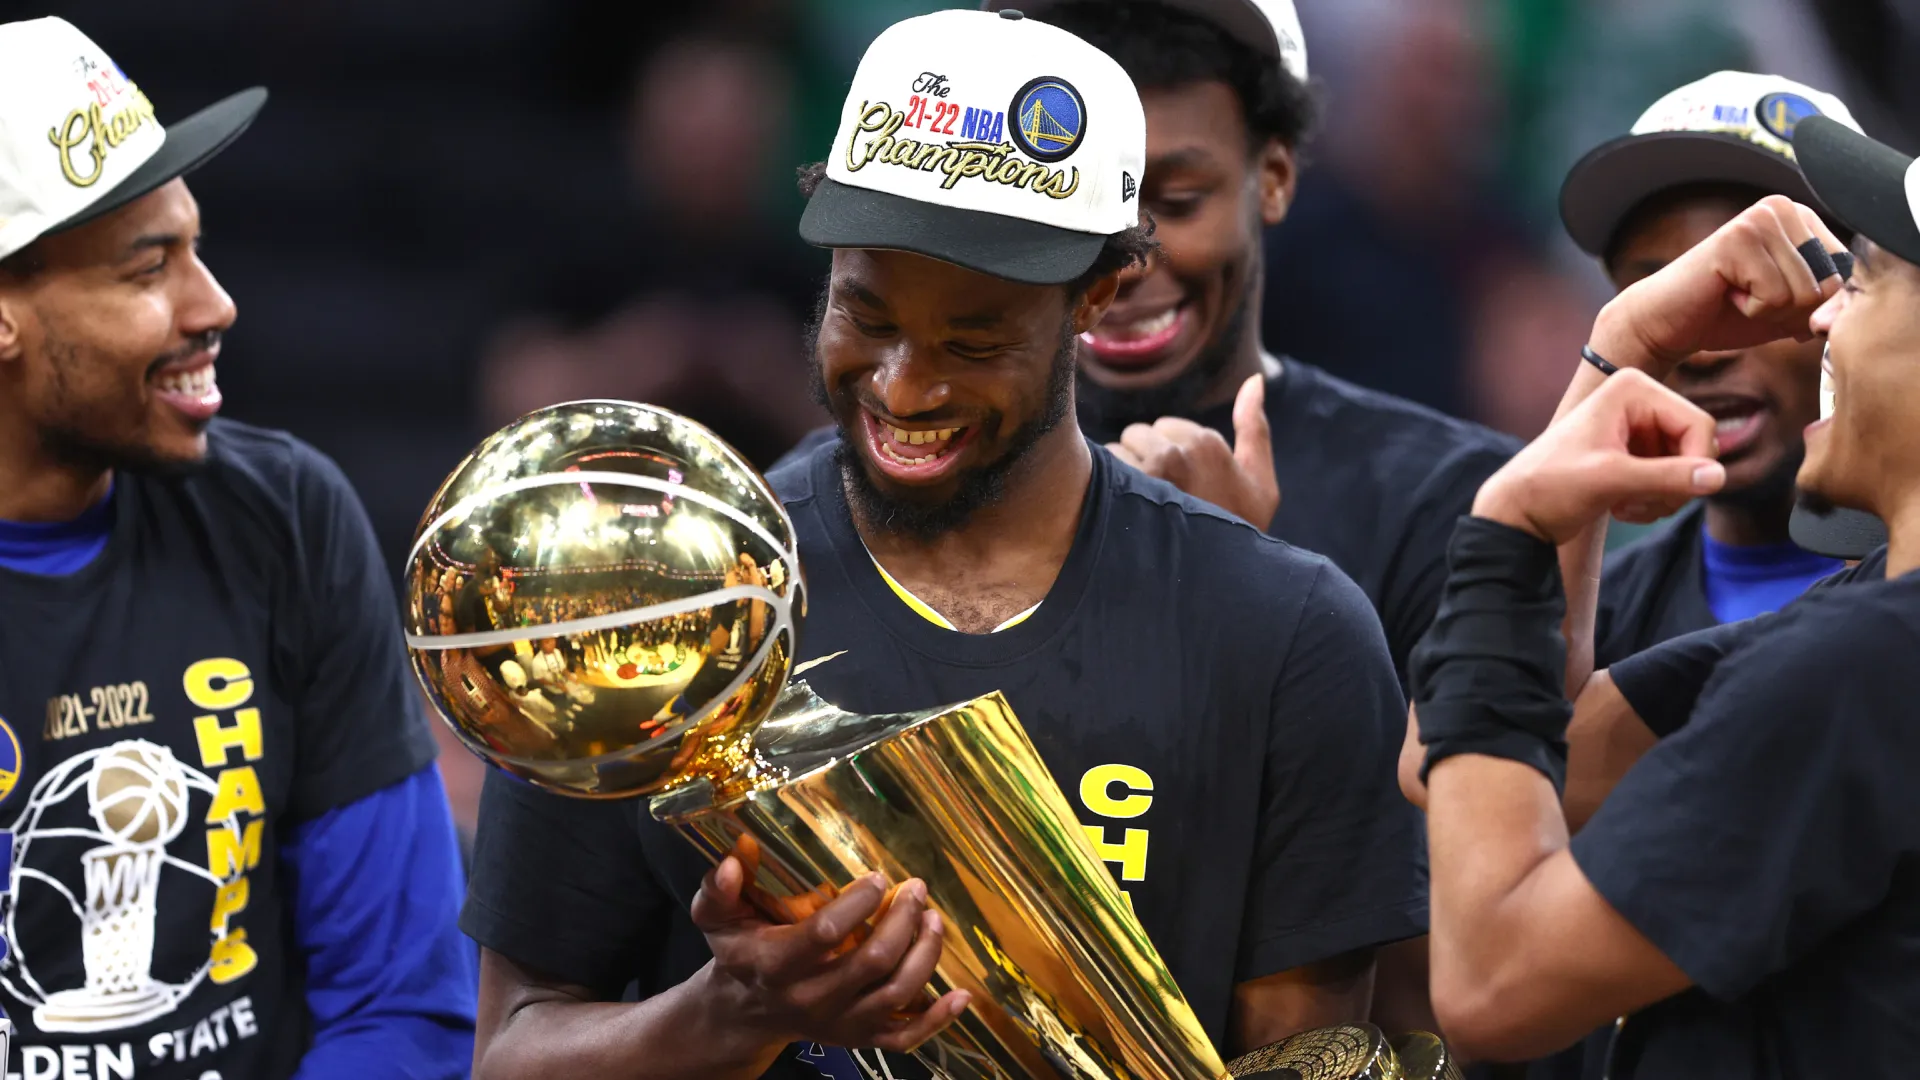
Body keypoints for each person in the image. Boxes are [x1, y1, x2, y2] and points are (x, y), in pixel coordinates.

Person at [462, 10, 1425, 1080]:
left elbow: (1312, 1058)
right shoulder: (648, 607)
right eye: (865, 318)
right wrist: (728, 1015)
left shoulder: (1284, 632)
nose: (904, 386)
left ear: (1097, 293)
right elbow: (512, 1048)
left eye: (976, 339)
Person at [0, 16, 474, 1078]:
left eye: (197, 248)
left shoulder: (284, 514)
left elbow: (403, 1005)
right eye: (145, 269)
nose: (213, 304)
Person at [1403, 110, 1920, 1076]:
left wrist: (1513, 527)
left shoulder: (1866, 663)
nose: (1821, 310)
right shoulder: (1858, 625)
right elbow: (1472, 750)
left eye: (1868, 279)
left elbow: (1489, 986)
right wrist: (1620, 348)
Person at [972, 0, 1522, 692]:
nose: (1125, 260)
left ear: (1275, 178)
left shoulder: (1452, 501)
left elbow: (1453, 797)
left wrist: (1240, 593)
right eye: (1068, 194)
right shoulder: (903, 476)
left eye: (1175, 202)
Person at [1559, 72, 1880, 668]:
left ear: (1866, 296)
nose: (1705, 353)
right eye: (1663, 301)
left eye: (1753, 288)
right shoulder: (1584, 622)